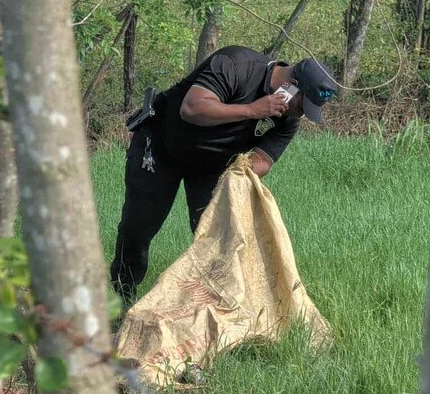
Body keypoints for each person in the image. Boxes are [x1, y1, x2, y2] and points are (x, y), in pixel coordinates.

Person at [110, 45, 338, 302]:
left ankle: (203, 312)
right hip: (162, 148)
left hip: (212, 167)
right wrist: (253, 110)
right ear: (291, 85)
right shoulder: (236, 64)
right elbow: (192, 108)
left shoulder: (289, 117)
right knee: (138, 229)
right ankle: (121, 299)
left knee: (215, 240)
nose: (300, 114)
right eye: (302, 105)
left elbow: (264, 159)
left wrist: (238, 174)